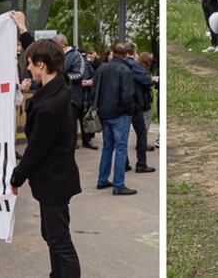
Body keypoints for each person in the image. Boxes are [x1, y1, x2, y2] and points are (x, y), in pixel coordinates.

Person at [9, 39, 82, 277]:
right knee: (52, 236)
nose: (28, 67)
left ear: (42, 64)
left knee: (60, 242)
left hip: (54, 180)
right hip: (57, 177)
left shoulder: (50, 105)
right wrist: (24, 33)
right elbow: (47, 52)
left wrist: (16, 178)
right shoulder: (59, 87)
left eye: (30, 63)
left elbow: (35, 151)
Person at [93, 43, 139, 195]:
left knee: (107, 147)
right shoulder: (125, 70)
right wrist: (129, 111)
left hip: (104, 113)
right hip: (120, 113)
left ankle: (102, 179)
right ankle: (118, 185)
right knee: (120, 148)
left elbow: (95, 91)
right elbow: (127, 94)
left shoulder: (102, 69)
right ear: (126, 55)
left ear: (112, 53)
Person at [124, 42, 157, 173]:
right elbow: (146, 80)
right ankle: (141, 163)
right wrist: (153, 79)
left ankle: (124, 162)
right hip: (135, 103)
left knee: (123, 135)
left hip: (122, 104)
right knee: (141, 132)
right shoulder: (133, 65)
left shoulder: (118, 65)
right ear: (133, 52)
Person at [54, 34, 88, 150]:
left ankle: (71, 147)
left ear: (64, 45)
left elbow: (79, 74)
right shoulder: (56, 55)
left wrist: (61, 77)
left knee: (70, 126)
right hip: (58, 96)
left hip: (72, 97)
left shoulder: (76, 55)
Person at [138, 52, 158, 150]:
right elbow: (148, 84)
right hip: (146, 99)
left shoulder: (138, 70)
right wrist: (153, 80)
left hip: (142, 99)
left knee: (144, 121)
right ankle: (142, 143)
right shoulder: (143, 72)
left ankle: (141, 142)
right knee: (146, 121)